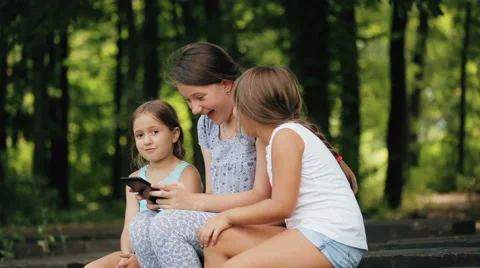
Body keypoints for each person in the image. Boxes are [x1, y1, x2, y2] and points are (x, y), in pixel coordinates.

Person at [199, 66, 368, 268]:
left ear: (251, 109)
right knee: (216, 242)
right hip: (308, 233)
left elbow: (281, 206)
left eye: (237, 106)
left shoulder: (285, 136)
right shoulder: (277, 139)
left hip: (333, 239)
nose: (236, 113)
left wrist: (227, 217)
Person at [128, 42, 273, 268]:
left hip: (254, 225)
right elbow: (212, 194)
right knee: (141, 223)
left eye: (200, 97)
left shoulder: (256, 119)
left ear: (226, 84)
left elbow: (264, 196)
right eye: (188, 100)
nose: (194, 109)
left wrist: (193, 201)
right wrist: (174, 201)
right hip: (218, 220)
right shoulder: (206, 125)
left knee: (165, 225)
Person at [85, 99, 202, 268]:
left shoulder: (187, 173)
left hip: (172, 253)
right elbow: (128, 228)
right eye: (140, 135)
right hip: (139, 254)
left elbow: (187, 222)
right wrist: (127, 256)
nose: (147, 141)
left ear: (175, 134)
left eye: (154, 132)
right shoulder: (135, 178)